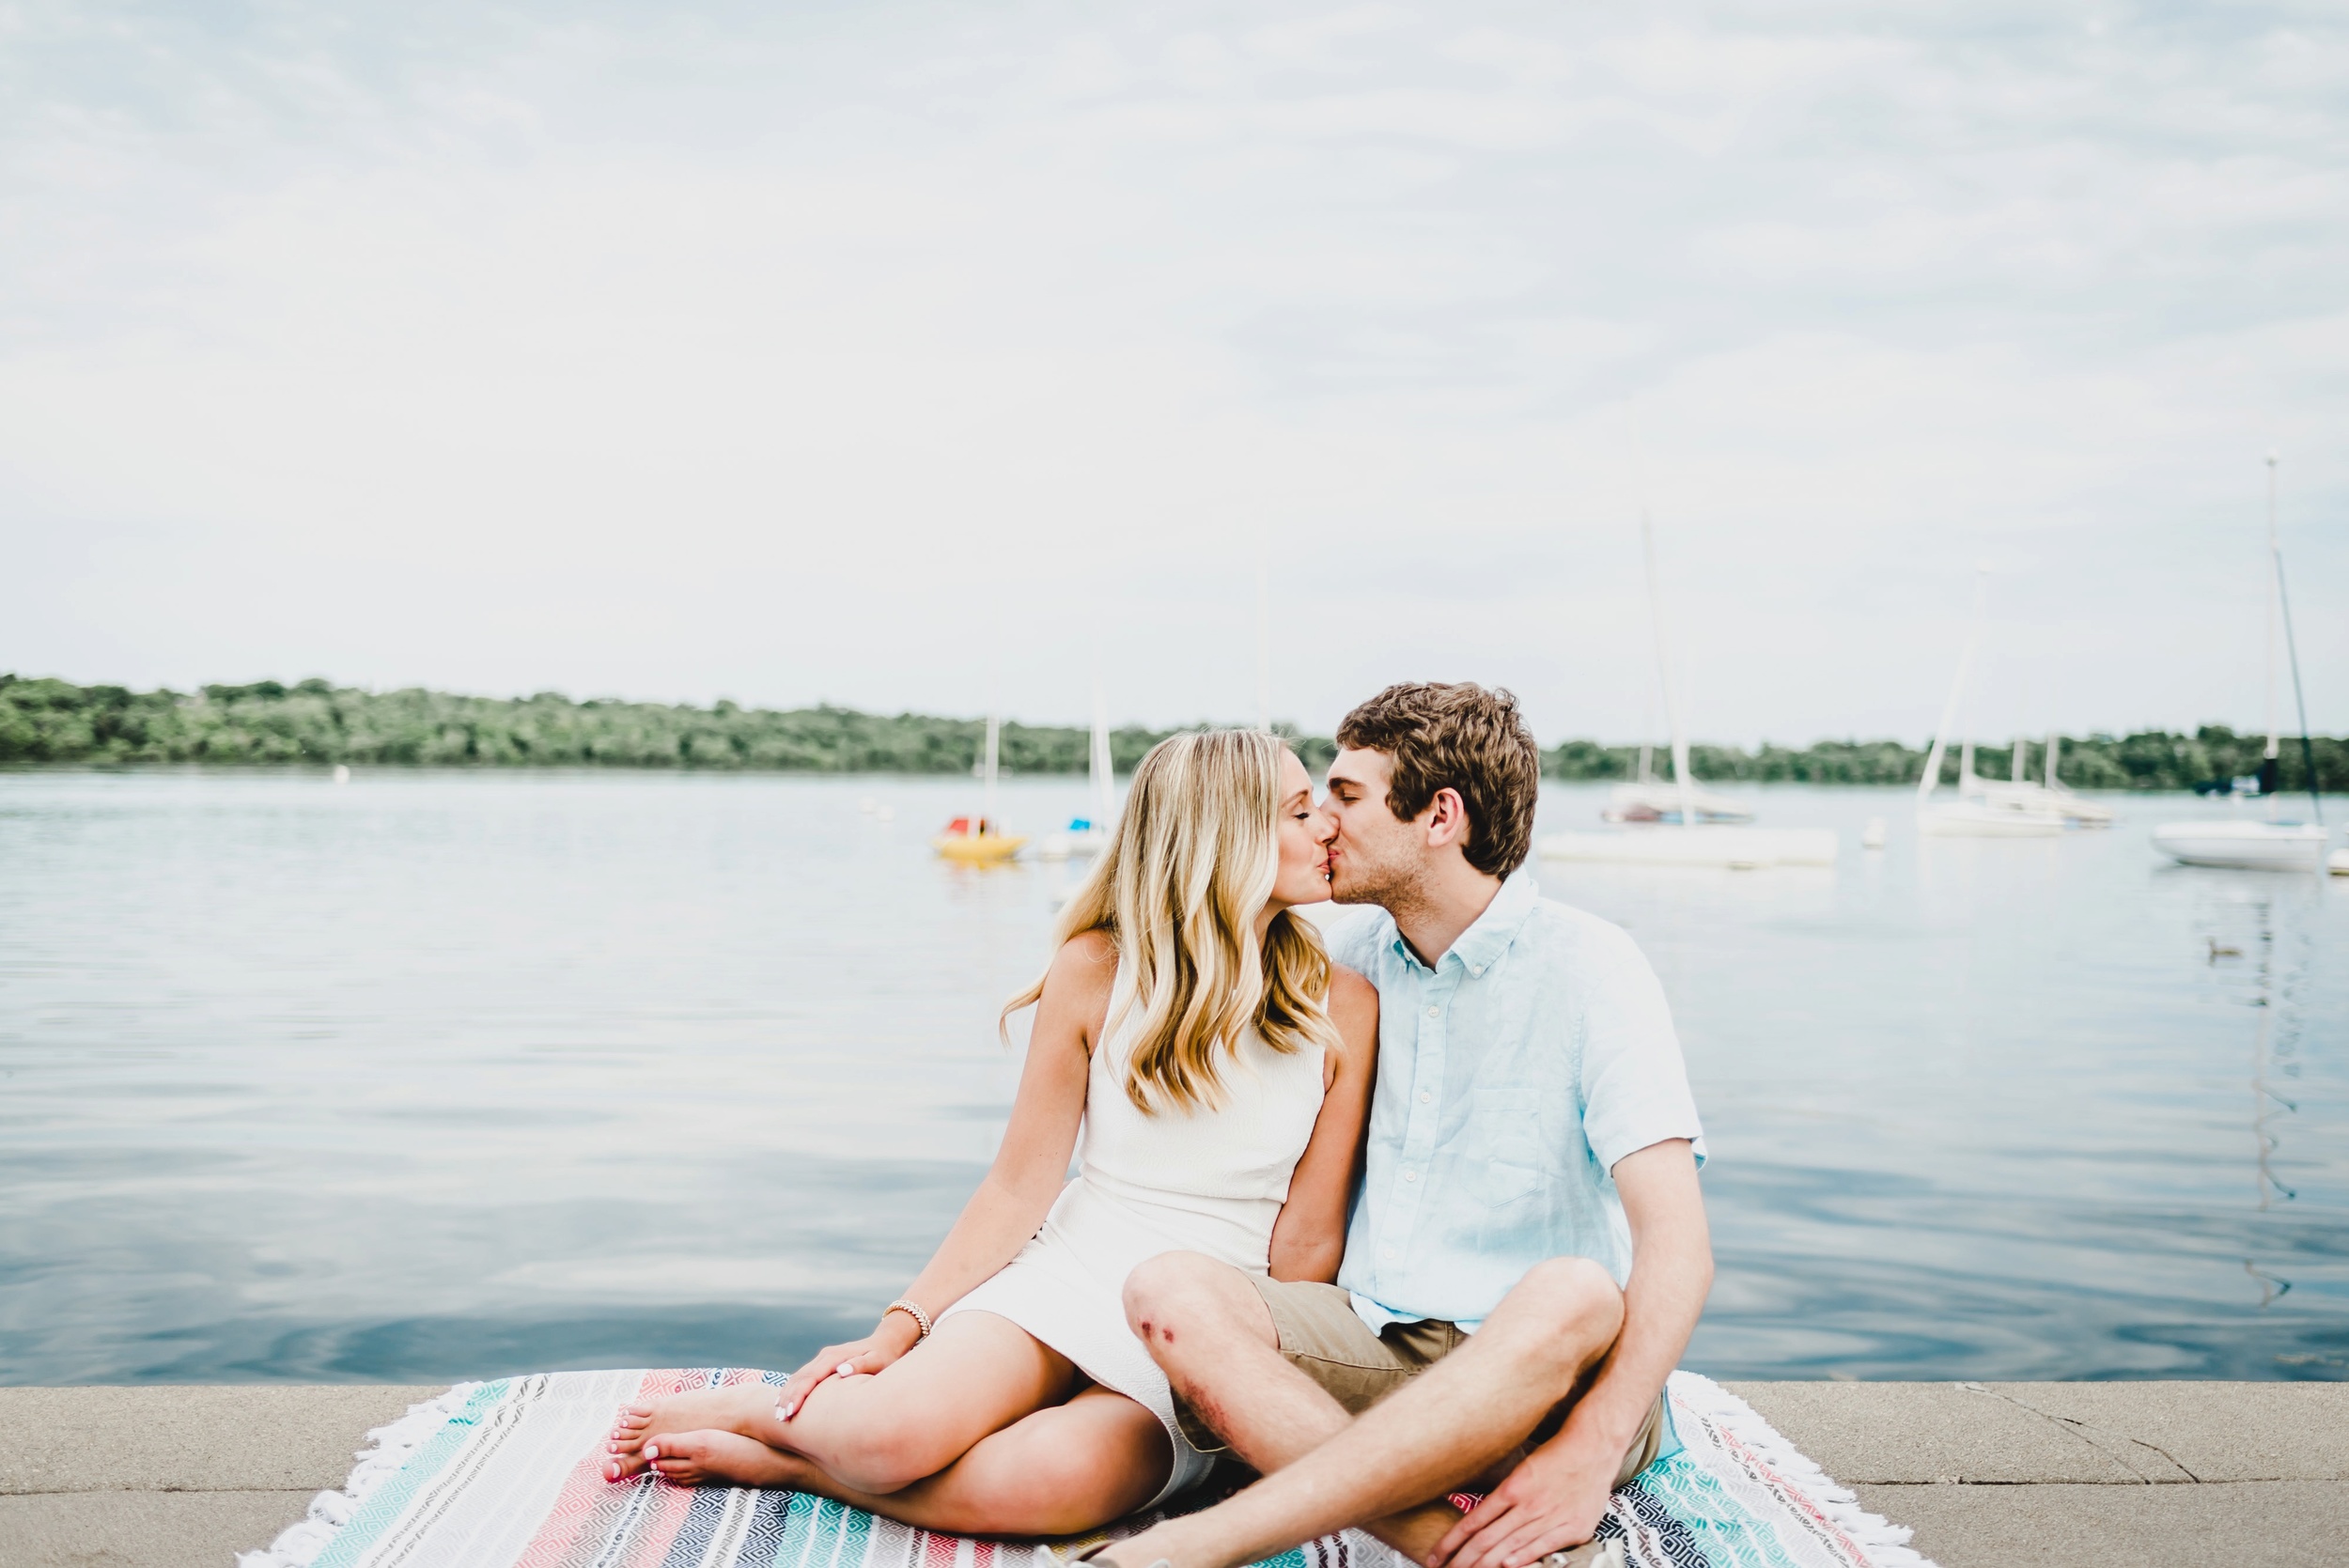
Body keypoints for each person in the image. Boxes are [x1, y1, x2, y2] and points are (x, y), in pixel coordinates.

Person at [603, 729, 1380, 1539]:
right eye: (1299, 811)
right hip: (1076, 1267)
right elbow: (1019, 1183)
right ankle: (766, 1409)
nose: (1327, 824)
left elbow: (1308, 1242)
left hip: (1210, 1319)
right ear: (1227, 837)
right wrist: (901, 1324)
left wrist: (1253, 1388)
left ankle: (789, 1463)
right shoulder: (1096, 969)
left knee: (1044, 1485)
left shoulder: (1346, 1006)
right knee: (886, 1436)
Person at [1102, 683, 1712, 1568]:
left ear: (1440, 816)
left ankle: (1195, 1546)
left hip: (1544, 1377)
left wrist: (1590, 1447)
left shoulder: (1593, 966)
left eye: (1344, 798)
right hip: (1374, 1350)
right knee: (1168, 1291)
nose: (1321, 825)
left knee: (1577, 1288)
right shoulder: (1343, 966)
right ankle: (1437, 1541)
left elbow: (1680, 1248)